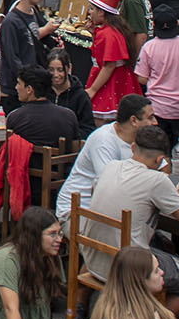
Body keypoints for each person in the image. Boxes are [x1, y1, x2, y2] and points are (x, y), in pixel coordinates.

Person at [80, 125, 179, 316]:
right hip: (129, 269)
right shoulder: (157, 180)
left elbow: (94, 192)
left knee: (163, 245)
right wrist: (177, 197)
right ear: (160, 160)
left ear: (133, 147)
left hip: (93, 260)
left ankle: (79, 308)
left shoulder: (111, 166)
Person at [54, 94, 154, 224]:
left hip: (114, 210)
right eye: (150, 118)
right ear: (134, 121)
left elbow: (162, 166)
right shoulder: (104, 140)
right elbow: (108, 186)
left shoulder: (143, 139)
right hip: (78, 211)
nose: (155, 122)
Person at [134, 4, 179, 146]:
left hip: (158, 110)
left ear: (153, 25)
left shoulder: (149, 47)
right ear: (177, 23)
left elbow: (142, 78)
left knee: (158, 150)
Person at [0, 0, 55, 114]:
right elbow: (11, 58)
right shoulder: (11, 22)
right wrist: (29, 81)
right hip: (16, 88)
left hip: (31, 86)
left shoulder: (34, 12)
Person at [84, 0, 139, 123]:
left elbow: (109, 65)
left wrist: (93, 90)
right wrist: (93, 35)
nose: (89, 12)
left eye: (92, 9)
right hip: (118, 80)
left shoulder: (107, 33)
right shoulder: (114, 29)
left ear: (101, 12)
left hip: (109, 83)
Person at [7, 65, 80, 151]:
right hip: (62, 160)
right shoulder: (69, 116)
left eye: (19, 83)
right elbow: (75, 149)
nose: (16, 87)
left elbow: (10, 150)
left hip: (27, 160)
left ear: (29, 89)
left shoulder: (15, 117)